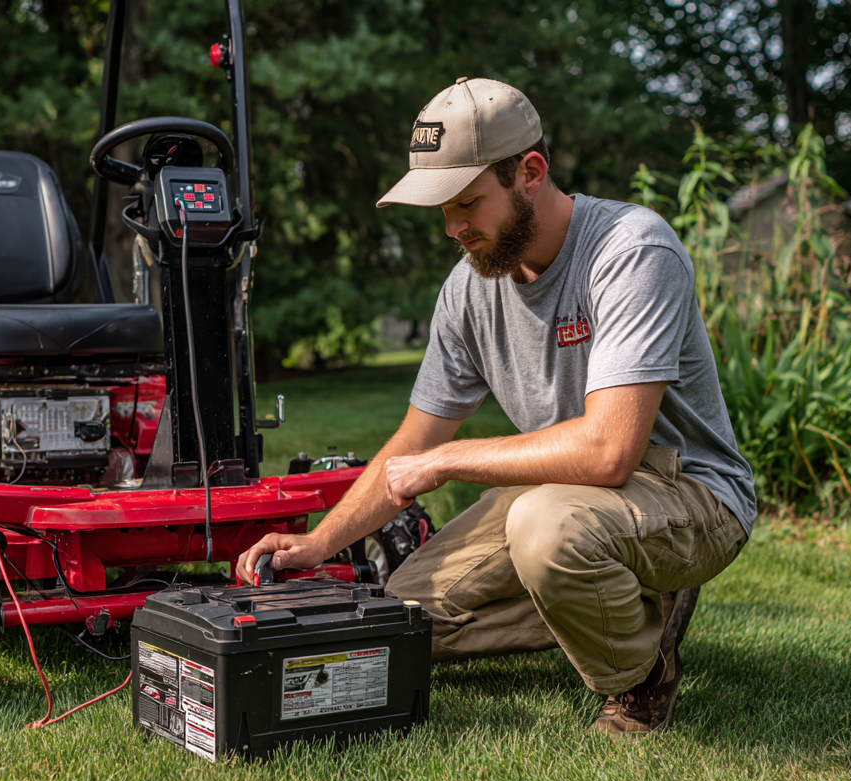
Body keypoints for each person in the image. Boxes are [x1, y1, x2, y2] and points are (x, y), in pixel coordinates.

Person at [236, 77, 755, 736]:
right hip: (567, 494)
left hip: (690, 491)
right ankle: (625, 600)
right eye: (441, 209)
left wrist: (451, 462)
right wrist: (317, 543)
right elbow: (412, 444)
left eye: (467, 203)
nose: (453, 228)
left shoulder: (630, 249)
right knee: (408, 617)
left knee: (546, 527)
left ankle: (639, 679)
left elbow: (609, 450)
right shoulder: (469, 290)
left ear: (529, 172)